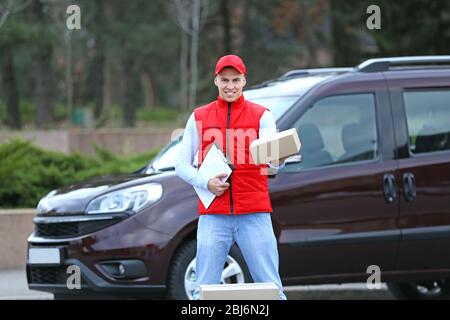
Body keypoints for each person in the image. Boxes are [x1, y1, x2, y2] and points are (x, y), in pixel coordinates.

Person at [175, 54, 288, 300]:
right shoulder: (198, 117)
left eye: (235, 80)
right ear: (215, 80)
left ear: (244, 81)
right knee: (202, 290)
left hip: (254, 212)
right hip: (214, 214)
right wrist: (206, 182)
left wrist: (279, 158)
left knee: (271, 288)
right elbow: (181, 165)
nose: (230, 86)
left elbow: (273, 163)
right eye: (224, 80)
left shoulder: (262, 115)